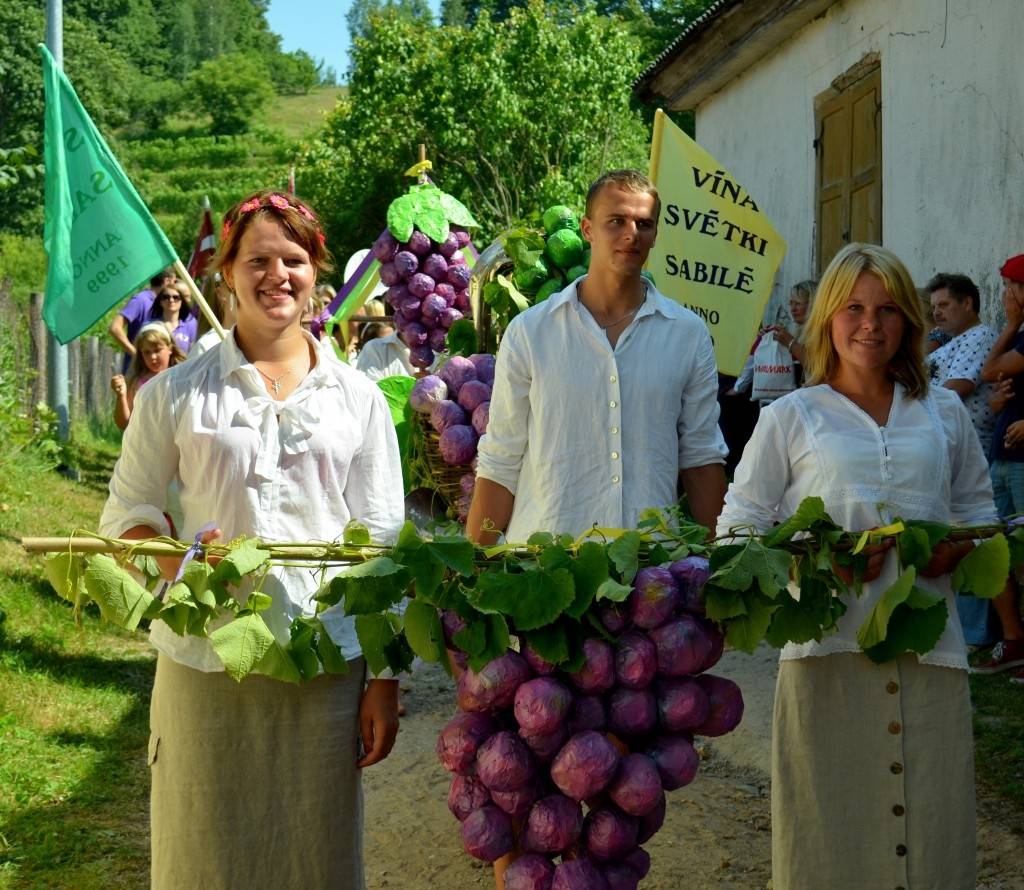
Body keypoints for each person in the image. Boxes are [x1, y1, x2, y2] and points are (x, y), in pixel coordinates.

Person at [99, 188, 405, 889]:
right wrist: (184, 565)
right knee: (203, 855)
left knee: (313, 858)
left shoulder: (357, 399)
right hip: (204, 659)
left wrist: (385, 678)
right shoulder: (175, 394)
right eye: (258, 260)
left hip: (322, 663)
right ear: (227, 272)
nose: (277, 275)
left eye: (293, 259)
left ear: (316, 271)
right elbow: (124, 517)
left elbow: (384, 544)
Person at [718, 243, 997, 890]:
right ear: (826, 319)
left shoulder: (944, 413)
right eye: (853, 308)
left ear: (908, 321)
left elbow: (978, 511)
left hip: (930, 653)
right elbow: (738, 531)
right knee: (831, 837)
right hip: (828, 655)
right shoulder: (791, 417)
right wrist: (820, 561)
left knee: (930, 835)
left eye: (887, 309)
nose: (870, 323)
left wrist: (952, 547)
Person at [469, 168, 728, 543]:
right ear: (587, 229)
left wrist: (722, 560)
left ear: (656, 234)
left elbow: (701, 457)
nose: (631, 234)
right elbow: (501, 459)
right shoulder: (530, 333)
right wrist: (472, 565)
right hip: (544, 563)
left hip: (649, 565)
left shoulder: (688, 335)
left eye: (644, 224)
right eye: (616, 221)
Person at [976, 253, 1024, 681]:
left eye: (1011, 286)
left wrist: (1010, 326)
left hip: (1021, 463)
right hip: (1003, 458)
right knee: (996, 551)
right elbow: (993, 379)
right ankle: (1013, 640)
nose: (1006, 294)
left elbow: (988, 368)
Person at [110, 324, 186, 430]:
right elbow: (124, 424)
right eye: (147, 352)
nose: (152, 357)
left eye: (157, 350)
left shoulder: (183, 377)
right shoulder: (136, 382)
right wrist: (121, 395)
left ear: (170, 348)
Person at [108, 268, 177, 371]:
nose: (175, 286)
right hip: (137, 371)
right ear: (167, 281)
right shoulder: (141, 300)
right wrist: (137, 355)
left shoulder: (165, 304)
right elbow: (114, 328)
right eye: (174, 282)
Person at [146, 280, 199, 355]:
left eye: (176, 297)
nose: (171, 300)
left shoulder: (191, 323)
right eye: (166, 297)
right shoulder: (151, 325)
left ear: (182, 301)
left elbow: (195, 352)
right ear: (160, 301)